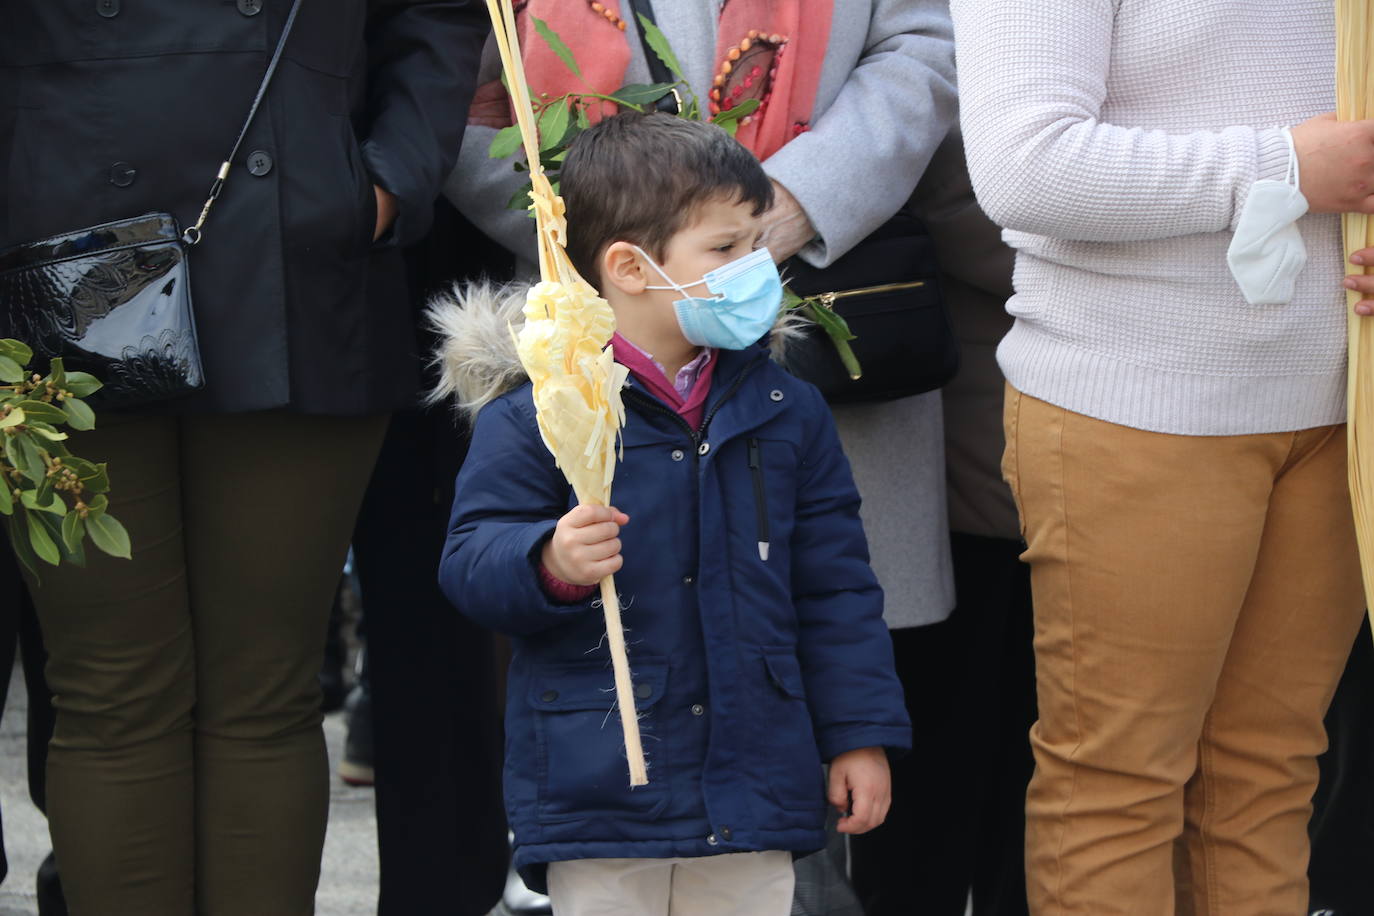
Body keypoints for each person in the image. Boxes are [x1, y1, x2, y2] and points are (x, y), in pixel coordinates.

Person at [0, 2, 485, 913]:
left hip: (305, 254)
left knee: (260, 692)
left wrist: (382, 182)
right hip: (51, 259)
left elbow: (437, 15)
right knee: (114, 691)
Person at [953, 0, 1374, 911]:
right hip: (1137, 391)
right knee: (1120, 782)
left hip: (1345, 401)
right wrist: (1287, 168)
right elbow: (1025, 163)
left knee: (1270, 776)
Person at [435, 111, 911, 916]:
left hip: (754, 776)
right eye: (725, 249)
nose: (755, 268)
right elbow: (470, 561)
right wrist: (546, 561)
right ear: (629, 266)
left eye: (758, 243)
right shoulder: (541, 412)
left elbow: (836, 590)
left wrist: (858, 734)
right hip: (602, 778)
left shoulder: (784, 408)